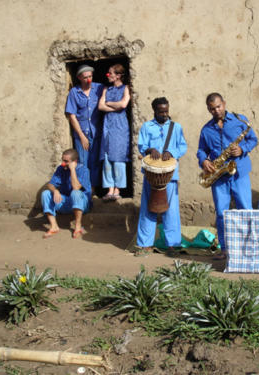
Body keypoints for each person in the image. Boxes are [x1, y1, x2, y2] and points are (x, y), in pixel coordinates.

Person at [196, 93, 258, 260]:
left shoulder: (240, 121)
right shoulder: (206, 129)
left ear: (224, 103)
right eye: (212, 109)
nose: (216, 111)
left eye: (218, 106)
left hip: (240, 172)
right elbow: (201, 150)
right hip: (219, 176)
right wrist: (203, 161)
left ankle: (250, 246)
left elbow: (253, 139)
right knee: (222, 213)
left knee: (245, 210)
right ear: (208, 109)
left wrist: (242, 149)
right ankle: (225, 249)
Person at [136, 97, 188, 254]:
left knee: (171, 210)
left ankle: (173, 244)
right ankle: (145, 244)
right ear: (154, 111)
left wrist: (171, 152)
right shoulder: (147, 126)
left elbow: (183, 146)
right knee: (148, 208)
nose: (165, 114)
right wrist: (150, 150)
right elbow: (141, 145)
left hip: (170, 175)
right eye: (161, 111)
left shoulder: (176, 127)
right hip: (151, 175)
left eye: (166, 110)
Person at [65, 65, 103, 189]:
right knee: (83, 163)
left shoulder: (99, 88)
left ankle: (93, 190)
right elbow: (72, 116)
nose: (89, 80)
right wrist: (81, 136)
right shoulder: (74, 93)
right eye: (85, 77)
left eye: (90, 76)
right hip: (81, 134)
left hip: (97, 133)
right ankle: (85, 189)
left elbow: (114, 91)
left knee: (96, 163)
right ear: (79, 78)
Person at [40, 149, 92, 239]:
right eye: (62, 160)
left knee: (75, 193)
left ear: (74, 161)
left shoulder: (83, 170)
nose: (63, 163)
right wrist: (55, 191)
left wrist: (72, 170)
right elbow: (51, 184)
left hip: (82, 204)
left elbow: (76, 187)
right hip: (66, 202)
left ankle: (78, 227)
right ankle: (54, 227)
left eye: (66, 161)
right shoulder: (61, 169)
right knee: (46, 193)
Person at [98, 64, 131, 201]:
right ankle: (109, 189)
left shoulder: (126, 88)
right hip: (108, 125)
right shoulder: (106, 89)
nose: (108, 75)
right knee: (107, 159)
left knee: (118, 158)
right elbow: (100, 106)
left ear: (118, 75)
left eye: (110, 73)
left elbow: (123, 104)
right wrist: (115, 106)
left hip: (120, 125)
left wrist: (109, 103)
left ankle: (117, 189)